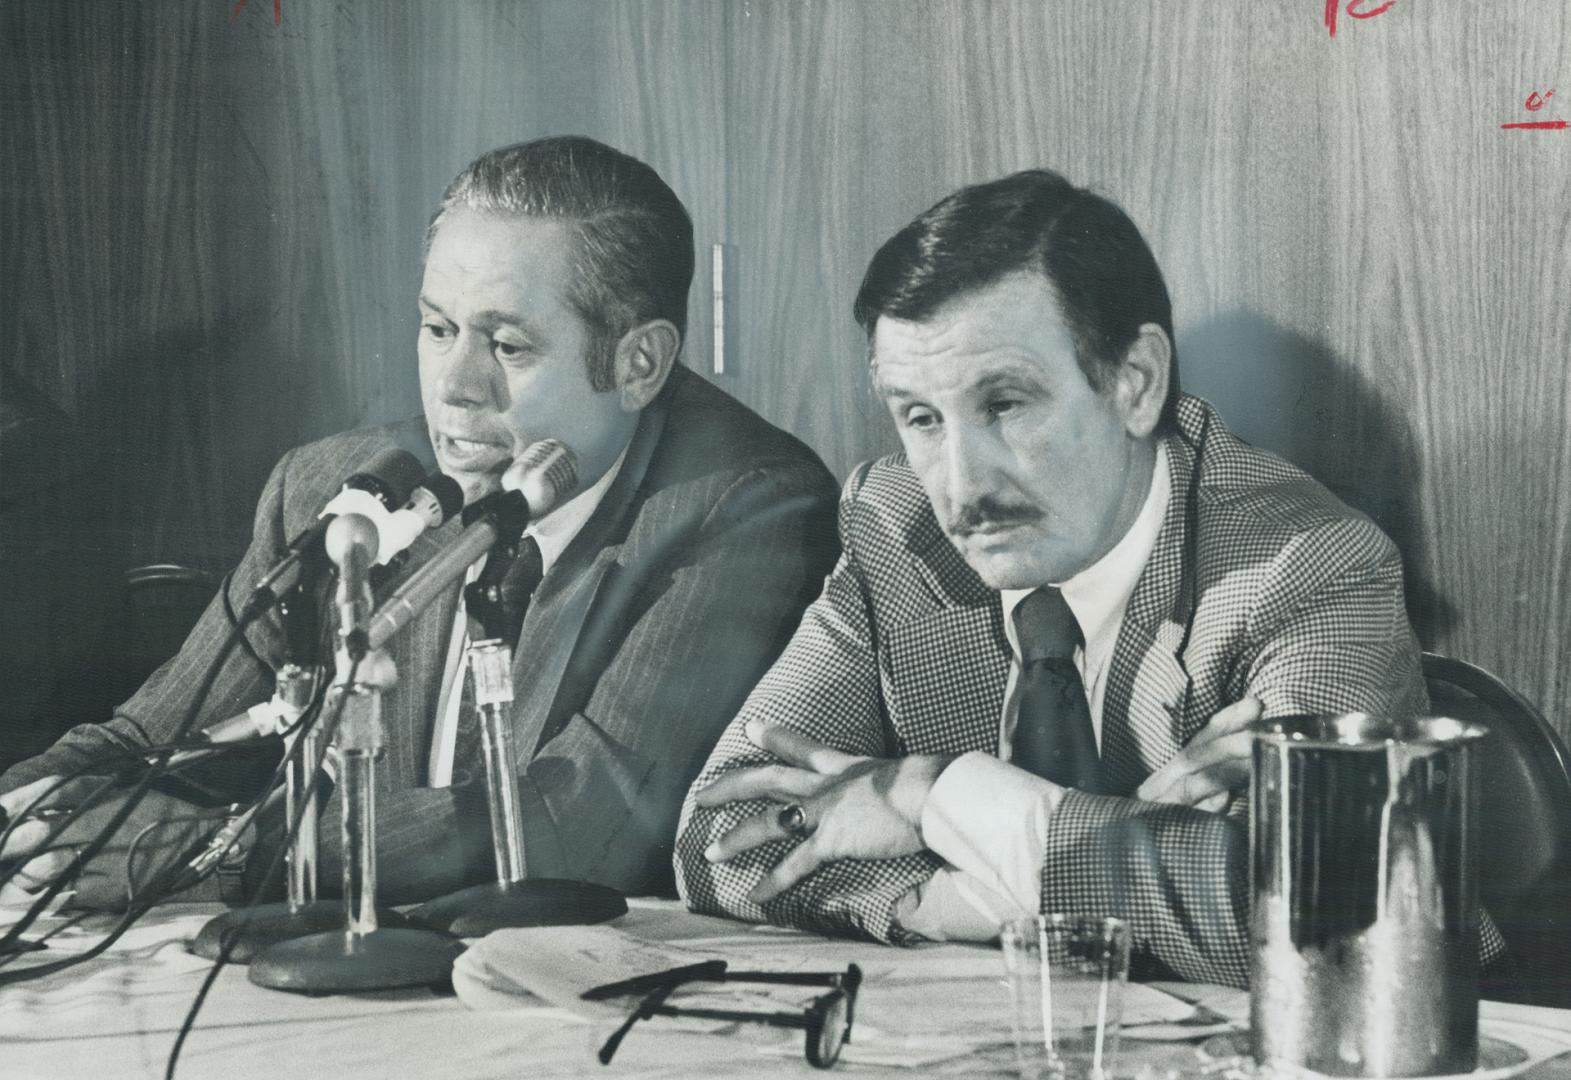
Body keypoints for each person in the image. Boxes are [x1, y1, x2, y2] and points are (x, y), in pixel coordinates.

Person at [674, 168, 1475, 988]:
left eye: (1006, 404)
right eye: (919, 418)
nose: (960, 483)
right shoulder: (895, 527)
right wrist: (1072, 863)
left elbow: (1334, 922)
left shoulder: (1305, 565)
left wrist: (935, 799)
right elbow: (720, 837)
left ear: (1134, 384)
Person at [0, 136, 839, 910]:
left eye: (506, 348)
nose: (453, 386)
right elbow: (153, 737)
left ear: (638, 363)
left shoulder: (746, 506)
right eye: (437, 329)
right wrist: (33, 811)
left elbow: (580, 826)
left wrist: (216, 851)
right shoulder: (334, 493)